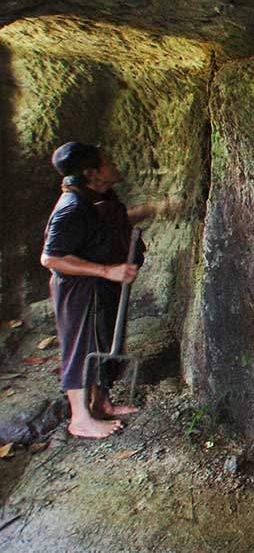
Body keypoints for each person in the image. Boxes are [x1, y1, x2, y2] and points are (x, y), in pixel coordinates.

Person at [40, 142, 158, 439]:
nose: (114, 163)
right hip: (79, 290)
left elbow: (103, 227)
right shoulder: (71, 207)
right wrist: (107, 271)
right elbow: (51, 257)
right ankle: (80, 419)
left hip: (103, 286)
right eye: (107, 161)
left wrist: (150, 212)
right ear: (92, 172)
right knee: (82, 346)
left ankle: (100, 403)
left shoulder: (97, 197)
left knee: (104, 336)